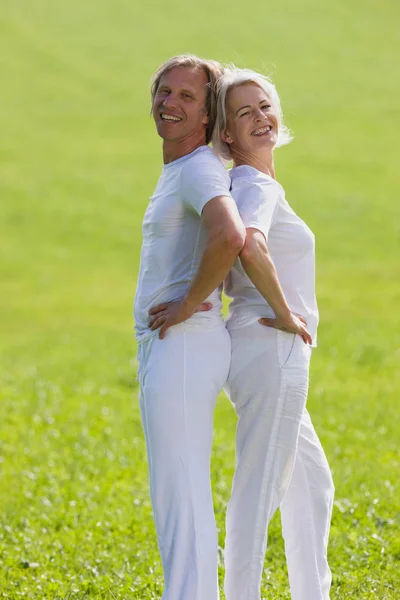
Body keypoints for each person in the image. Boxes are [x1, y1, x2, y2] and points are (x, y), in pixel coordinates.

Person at [211, 67, 335, 600]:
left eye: (264, 106)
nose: (260, 117)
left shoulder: (246, 184)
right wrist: (287, 313)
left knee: (312, 485)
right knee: (258, 491)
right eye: (243, 112)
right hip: (271, 347)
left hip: (260, 349)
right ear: (226, 136)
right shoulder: (254, 184)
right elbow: (250, 244)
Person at [133, 55, 247, 600]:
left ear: (206, 116)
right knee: (181, 494)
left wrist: (187, 303)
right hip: (173, 349)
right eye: (164, 91)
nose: (169, 103)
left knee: (180, 498)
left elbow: (230, 235)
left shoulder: (199, 168)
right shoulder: (180, 169)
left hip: (184, 346)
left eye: (186, 97)